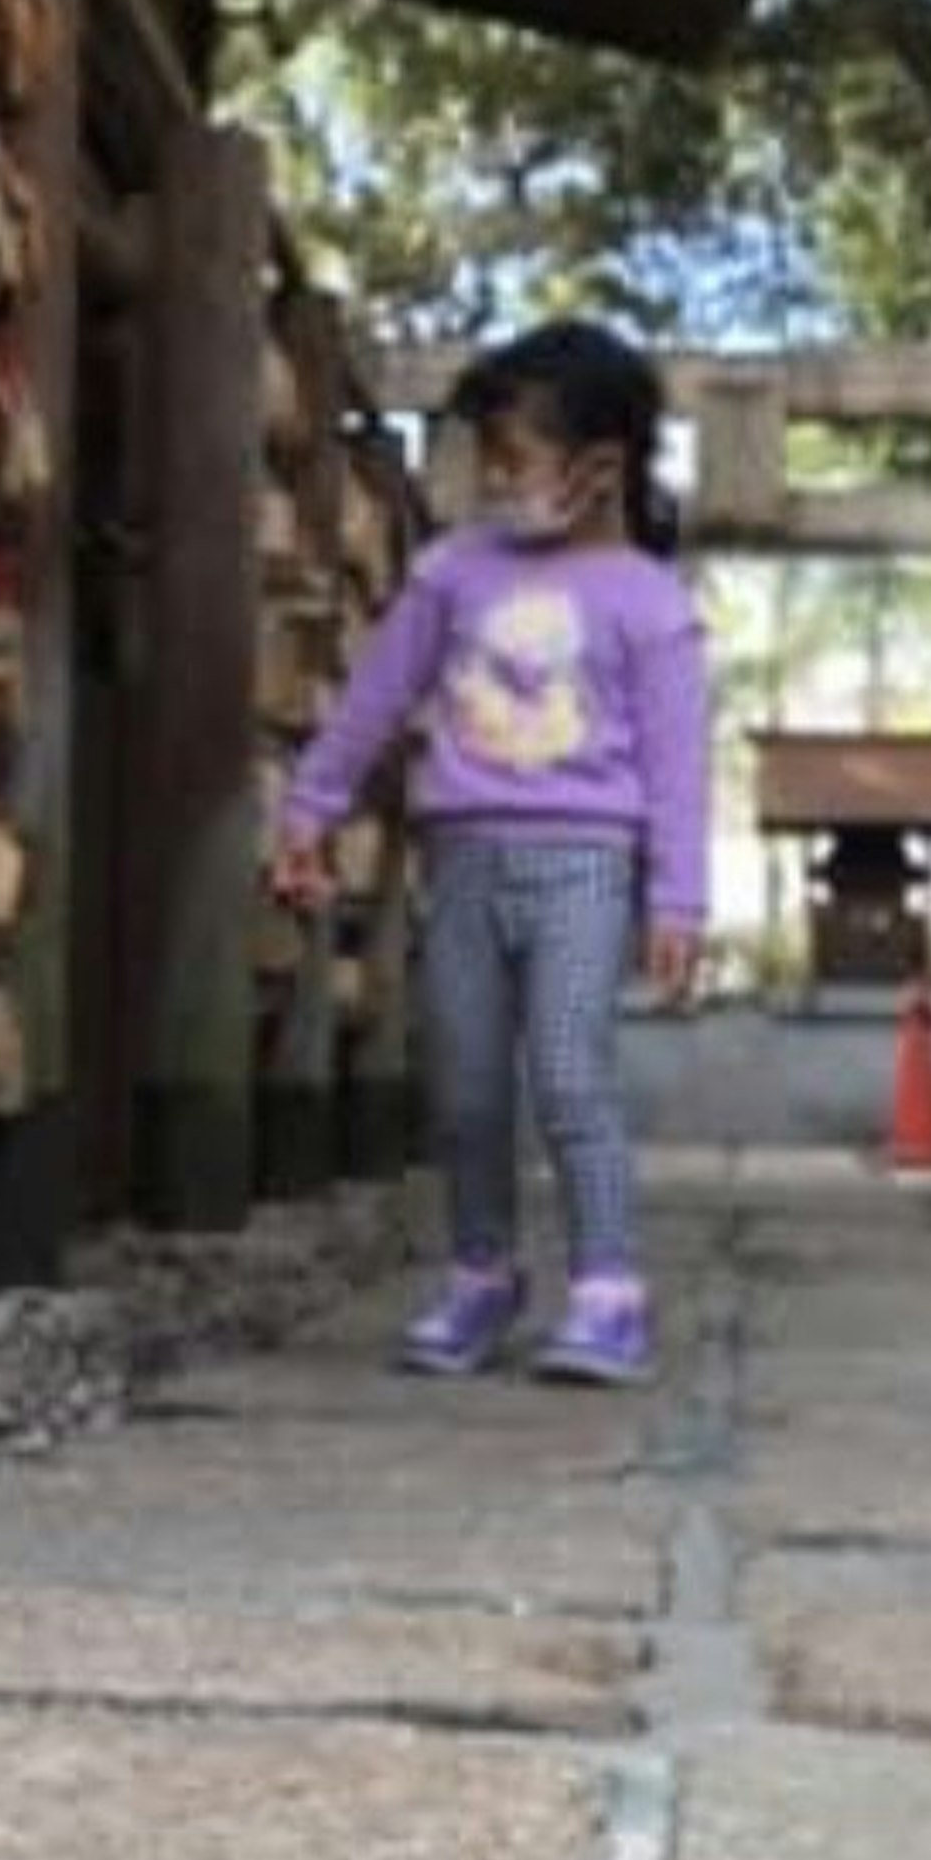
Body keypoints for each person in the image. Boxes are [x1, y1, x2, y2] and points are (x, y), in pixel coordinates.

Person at [269, 315, 708, 1385]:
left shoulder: (651, 604)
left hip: (587, 864)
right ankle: (481, 1274)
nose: (495, 479)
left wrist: (680, 902)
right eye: (489, 458)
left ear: (602, 468)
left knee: (568, 1072)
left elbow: (679, 766)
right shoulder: (451, 571)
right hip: (461, 858)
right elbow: (376, 697)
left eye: (516, 458)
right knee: (464, 1083)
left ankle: (608, 1290)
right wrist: (309, 803)